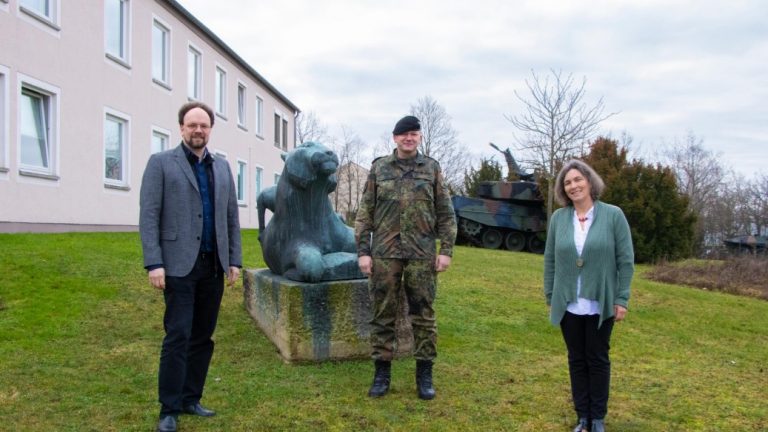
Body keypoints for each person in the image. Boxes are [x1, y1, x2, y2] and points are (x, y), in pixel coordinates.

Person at [140, 101, 242, 432]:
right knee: (178, 335)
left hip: (213, 266)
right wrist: (154, 262)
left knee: (202, 337)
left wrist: (234, 260)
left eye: (204, 125)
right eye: (192, 125)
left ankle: (190, 398)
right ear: (181, 128)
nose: (198, 130)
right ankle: (168, 408)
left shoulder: (223, 167)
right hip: (177, 266)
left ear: (210, 129)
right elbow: (149, 216)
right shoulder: (161, 164)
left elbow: (231, 218)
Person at [354, 115, 457, 400]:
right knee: (382, 313)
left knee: (423, 315)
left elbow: (446, 214)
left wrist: (446, 250)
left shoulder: (432, 169)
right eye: (403, 135)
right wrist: (363, 251)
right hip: (385, 254)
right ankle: (381, 373)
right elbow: (365, 214)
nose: (408, 138)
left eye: (413, 134)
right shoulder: (379, 169)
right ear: (394, 138)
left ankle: (424, 374)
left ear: (419, 137)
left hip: (422, 255)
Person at [543, 159, 634, 432]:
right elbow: (550, 260)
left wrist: (622, 298)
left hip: (600, 302)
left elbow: (626, 260)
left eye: (577, 180)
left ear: (589, 181)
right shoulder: (559, 219)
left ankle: (598, 418)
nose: (573, 186)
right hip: (568, 303)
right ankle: (583, 417)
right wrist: (551, 296)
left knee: (597, 358)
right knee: (576, 358)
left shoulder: (613, 215)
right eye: (568, 182)